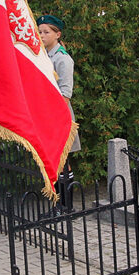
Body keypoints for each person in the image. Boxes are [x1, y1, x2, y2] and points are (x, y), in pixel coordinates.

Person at [36, 15, 80, 209]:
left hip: (59, 117)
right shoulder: (44, 56)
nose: (41, 35)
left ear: (57, 34)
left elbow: (65, 93)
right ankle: (58, 204)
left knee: (63, 162)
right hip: (46, 115)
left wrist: (51, 115)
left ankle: (66, 206)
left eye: (46, 32)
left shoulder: (62, 58)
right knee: (54, 162)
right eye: (40, 31)